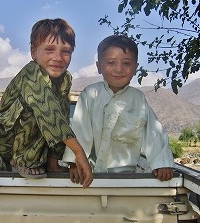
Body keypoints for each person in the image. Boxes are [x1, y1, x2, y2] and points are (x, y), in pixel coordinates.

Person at [0, 18, 93, 188]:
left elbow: (60, 115)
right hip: (0, 151)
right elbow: (49, 113)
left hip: (37, 156)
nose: (58, 57)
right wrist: (78, 152)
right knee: (41, 109)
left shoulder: (65, 79)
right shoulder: (31, 72)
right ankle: (22, 160)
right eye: (49, 49)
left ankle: (43, 162)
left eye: (66, 51)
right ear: (33, 52)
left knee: (59, 116)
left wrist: (54, 162)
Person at [62, 35, 175, 182]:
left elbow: (154, 133)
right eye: (111, 62)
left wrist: (161, 163)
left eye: (126, 63)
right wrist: (73, 162)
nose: (119, 69)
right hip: (90, 173)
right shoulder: (90, 94)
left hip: (126, 176)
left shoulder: (138, 99)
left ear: (135, 68)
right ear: (99, 67)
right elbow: (79, 129)